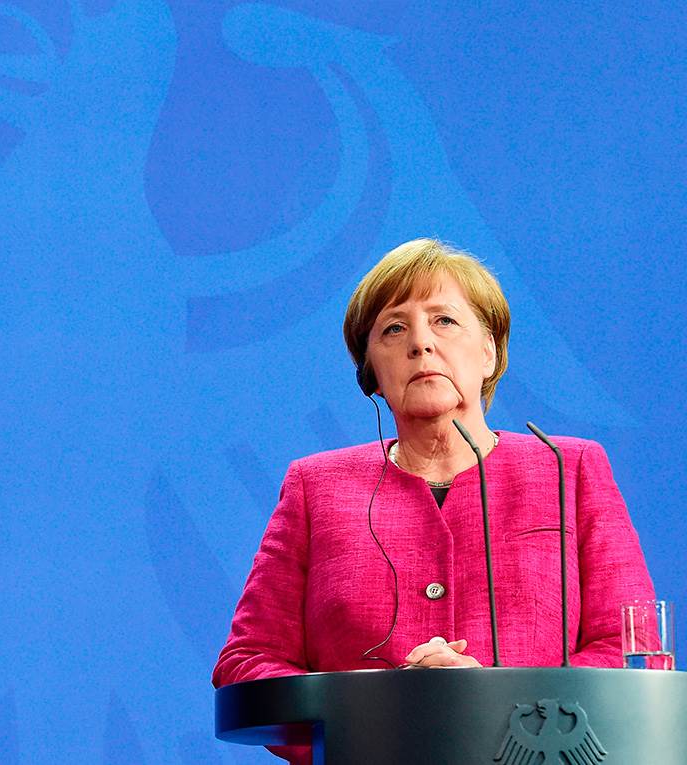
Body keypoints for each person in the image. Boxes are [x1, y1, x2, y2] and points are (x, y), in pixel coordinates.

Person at [212, 239, 653, 760]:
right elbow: (248, 661)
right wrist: (383, 711)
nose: (420, 344)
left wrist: (496, 704)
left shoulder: (569, 468)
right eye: (394, 328)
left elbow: (631, 652)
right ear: (370, 372)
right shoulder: (316, 485)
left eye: (444, 320)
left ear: (489, 350)